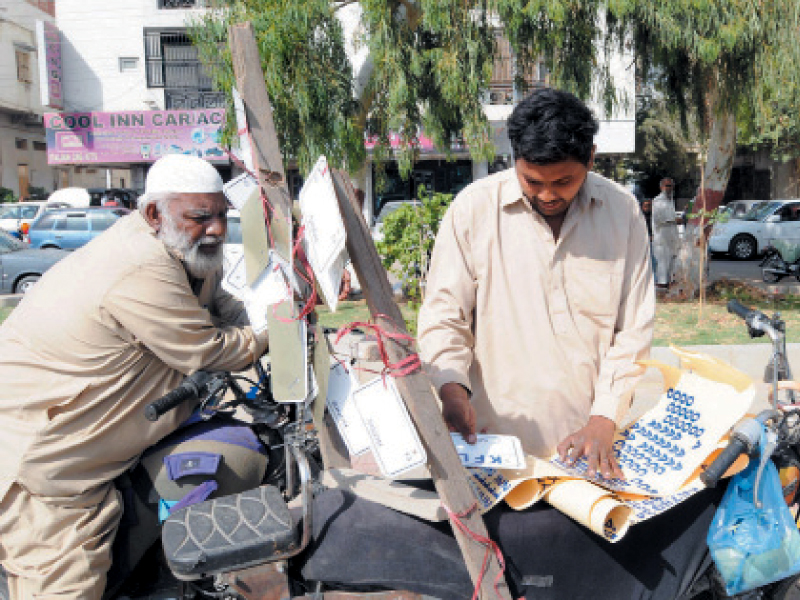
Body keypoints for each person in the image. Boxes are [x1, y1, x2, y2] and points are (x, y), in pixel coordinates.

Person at [416, 88, 721, 599]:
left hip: (589, 458)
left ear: (591, 162)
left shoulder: (622, 213)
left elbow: (633, 329)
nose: (548, 193)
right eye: (533, 180)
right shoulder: (473, 210)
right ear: (514, 160)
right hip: (495, 455)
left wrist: (604, 417)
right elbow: (444, 316)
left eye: (564, 180)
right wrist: (451, 388)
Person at [0, 154, 269, 599]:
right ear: (153, 214)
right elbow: (209, 349)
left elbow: (221, 305)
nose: (217, 228)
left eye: (222, 215)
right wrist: (272, 331)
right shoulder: (141, 265)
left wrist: (260, 319)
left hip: (84, 443)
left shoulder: (184, 249)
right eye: (201, 217)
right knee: (70, 583)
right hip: (49, 465)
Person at [651, 177, 680, 289]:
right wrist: (674, 220)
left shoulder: (670, 200)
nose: (669, 188)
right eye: (667, 186)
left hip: (672, 235)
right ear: (661, 187)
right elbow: (658, 219)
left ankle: (671, 283)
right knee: (663, 261)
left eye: (671, 186)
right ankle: (662, 286)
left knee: (673, 260)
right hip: (662, 235)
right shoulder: (657, 201)